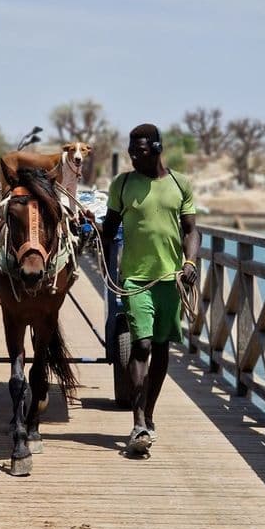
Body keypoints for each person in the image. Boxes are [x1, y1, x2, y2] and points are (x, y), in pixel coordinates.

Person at [100, 123, 200, 454]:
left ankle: (149, 414)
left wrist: (191, 263)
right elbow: (109, 227)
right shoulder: (123, 184)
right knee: (140, 344)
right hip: (134, 279)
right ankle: (138, 420)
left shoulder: (179, 184)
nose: (133, 157)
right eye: (130, 151)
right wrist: (104, 261)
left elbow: (191, 231)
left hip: (171, 279)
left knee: (160, 348)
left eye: (140, 151)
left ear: (157, 149)